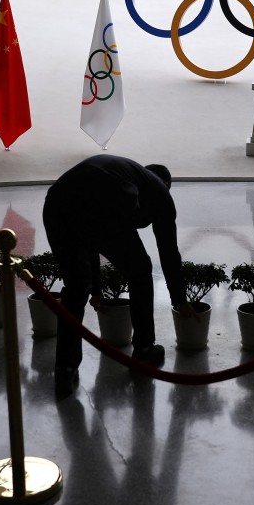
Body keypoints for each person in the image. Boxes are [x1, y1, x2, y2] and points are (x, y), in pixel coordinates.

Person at [43, 155, 188, 396]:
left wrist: (95, 288)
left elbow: (89, 235)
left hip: (56, 202)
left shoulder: (128, 176)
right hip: (100, 197)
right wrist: (180, 301)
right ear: (165, 185)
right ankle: (143, 349)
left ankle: (65, 368)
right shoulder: (159, 190)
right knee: (140, 270)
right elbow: (168, 250)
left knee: (76, 286)